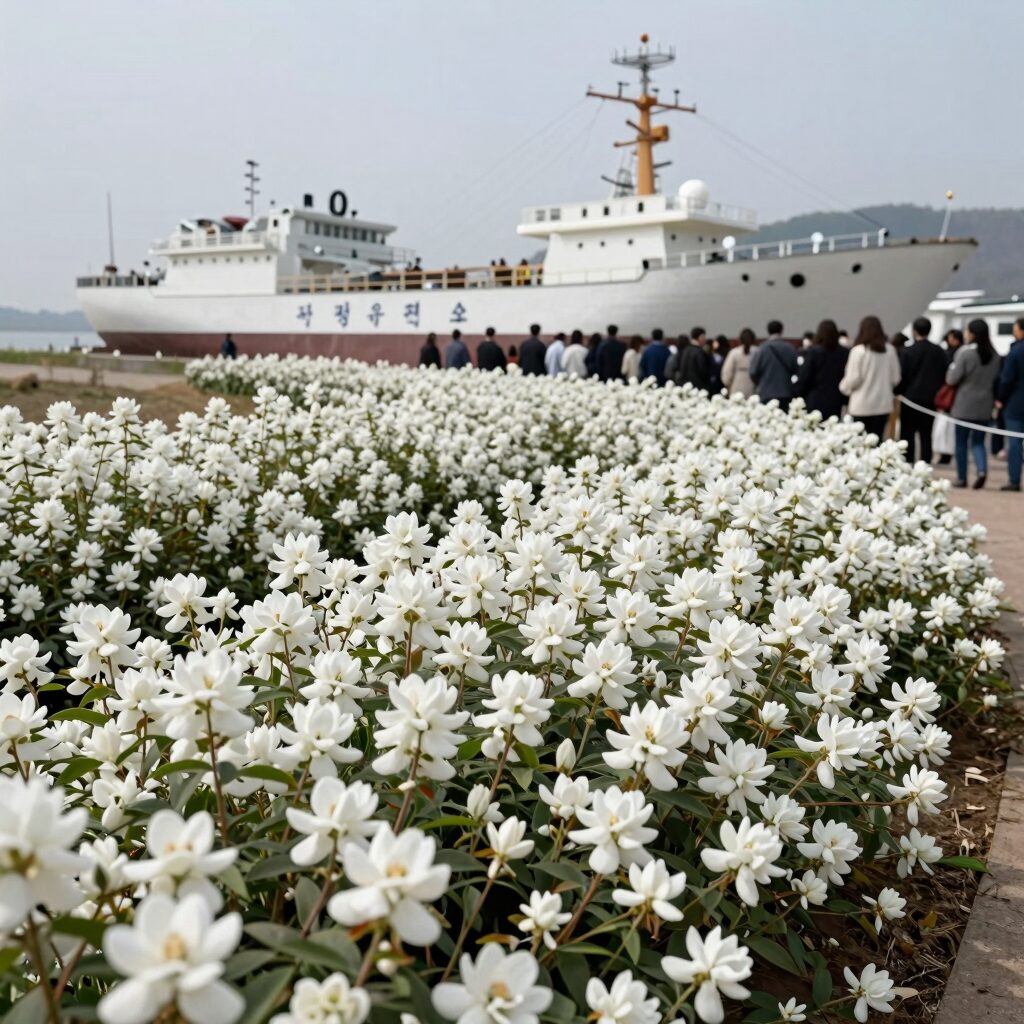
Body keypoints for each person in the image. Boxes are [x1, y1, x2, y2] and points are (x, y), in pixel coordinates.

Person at [947, 318, 1000, 489]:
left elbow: (952, 379)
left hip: (964, 404)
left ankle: (962, 478)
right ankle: (982, 470)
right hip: (985, 404)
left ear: (972, 334)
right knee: (978, 442)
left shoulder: (965, 353)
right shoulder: (995, 356)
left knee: (961, 442)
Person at [839, 315, 901, 439]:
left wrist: (843, 387)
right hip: (883, 405)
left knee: (859, 444)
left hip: (861, 405)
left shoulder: (858, 351)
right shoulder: (890, 351)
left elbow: (853, 380)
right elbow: (896, 378)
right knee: (877, 442)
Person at [896, 317, 948, 463]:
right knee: (926, 434)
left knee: (907, 433)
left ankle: (908, 461)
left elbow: (902, 375)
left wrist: (899, 391)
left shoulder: (907, 351)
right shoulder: (939, 351)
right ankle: (925, 462)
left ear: (914, 330)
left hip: (909, 398)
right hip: (931, 399)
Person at [796, 319, 848, 418]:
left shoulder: (812, 352)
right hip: (836, 399)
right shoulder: (844, 352)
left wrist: (798, 393)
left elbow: (804, 377)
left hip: (815, 399)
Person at [995, 317, 1024, 491]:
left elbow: (1006, 379)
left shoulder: (1015, 351)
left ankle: (1014, 480)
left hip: (1016, 403)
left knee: (1014, 443)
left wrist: (1000, 398)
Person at [749, 320, 798, 409]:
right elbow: (796, 369)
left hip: (766, 393)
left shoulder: (762, 349)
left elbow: (753, 372)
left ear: (768, 331)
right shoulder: (790, 348)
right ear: (781, 331)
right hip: (785, 392)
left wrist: (760, 383)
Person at [721, 327, 758, 397]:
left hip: (736, 387)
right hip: (753, 388)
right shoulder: (757, 352)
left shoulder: (734, 352)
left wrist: (728, 384)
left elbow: (727, 373)